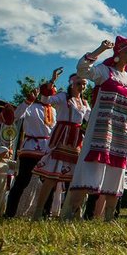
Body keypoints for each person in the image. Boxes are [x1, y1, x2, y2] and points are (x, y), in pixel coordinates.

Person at [63, 38, 127, 221]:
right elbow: (82, 70)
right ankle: (73, 212)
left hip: (121, 131)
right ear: (118, 53)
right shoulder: (105, 72)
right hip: (101, 127)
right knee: (92, 164)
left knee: (116, 169)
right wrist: (100, 49)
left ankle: (109, 217)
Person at [31, 69, 91, 220]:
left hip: (76, 140)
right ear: (71, 84)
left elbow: (91, 119)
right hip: (62, 137)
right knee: (52, 176)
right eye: (79, 83)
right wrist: (52, 81)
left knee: (75, 178)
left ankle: (71, 212)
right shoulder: (64, 97)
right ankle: (38, 211)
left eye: (84, 84)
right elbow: (46, 100)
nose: (82, 87)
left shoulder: (84, 103)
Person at [3, 79, 58, 218]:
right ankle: (9, 213)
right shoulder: (31, 106)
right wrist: (27, 102)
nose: (49, 96)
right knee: (22, 180)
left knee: (48, 181)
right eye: (47, 92)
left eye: (52, 93)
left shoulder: (54, 111)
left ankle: (45, 214)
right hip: (31, 148)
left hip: (47, 149)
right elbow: (15, 116)